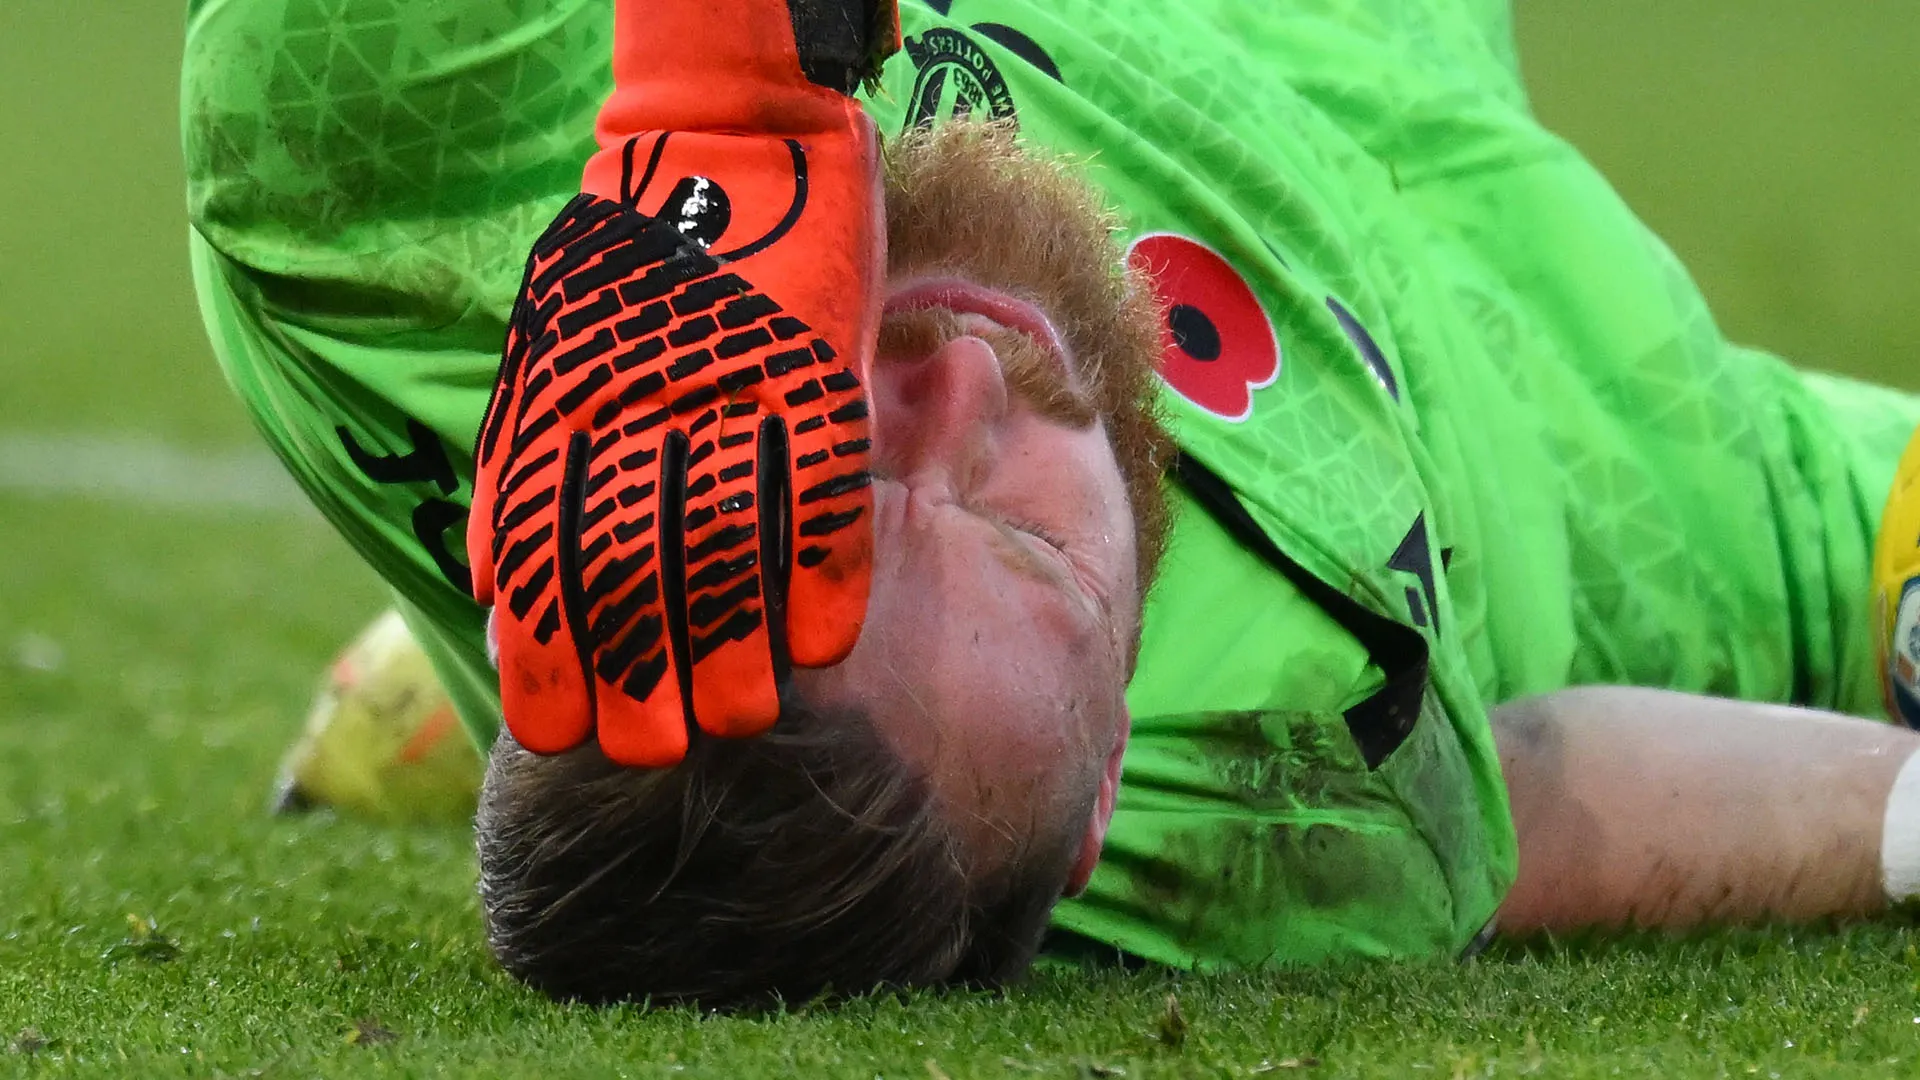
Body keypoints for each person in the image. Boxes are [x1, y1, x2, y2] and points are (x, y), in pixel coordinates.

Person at [183, 0, 1920, 1007]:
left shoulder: (376, 188)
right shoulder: (1228, 807)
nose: (962, 385)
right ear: (1105, 802)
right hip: (1583, 390)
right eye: (1031, 541)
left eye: (833, 479)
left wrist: (716, 95)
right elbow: (1519, 801)